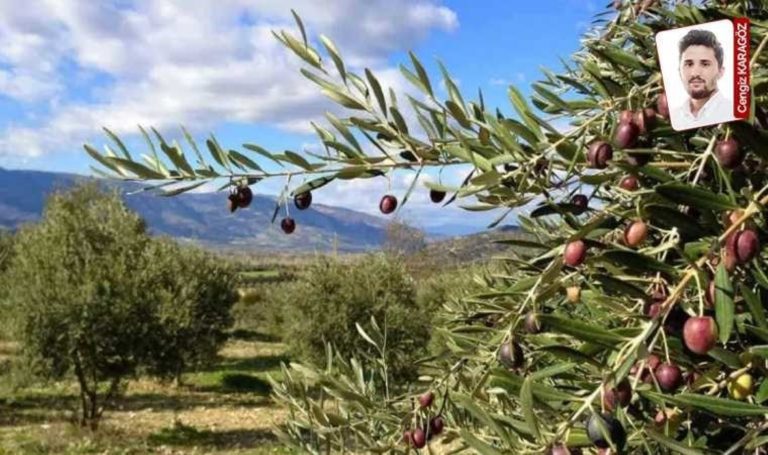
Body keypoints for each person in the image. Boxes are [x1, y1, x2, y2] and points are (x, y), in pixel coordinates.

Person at [671, 29, 733, 130]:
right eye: (689, 64)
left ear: (721, 72)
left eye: (705, 64)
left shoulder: (733, 112)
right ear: (679, 72)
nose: (695, 73)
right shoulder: (673, 117)